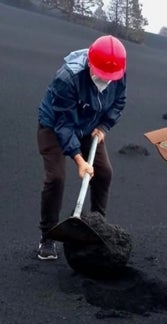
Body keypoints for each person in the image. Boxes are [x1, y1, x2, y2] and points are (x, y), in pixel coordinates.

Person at [36, 35, 127, 260]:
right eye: (102, 76)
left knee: (104, 173)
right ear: (91, 65)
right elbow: (64, 124)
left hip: (89, 126)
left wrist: (104, 126)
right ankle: (47, 236)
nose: (106, 81)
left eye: (110, 78)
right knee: (55, 178)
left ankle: (96, 227)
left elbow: (119, 101)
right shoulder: (67, 79)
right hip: (54, 125)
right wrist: (79, 160)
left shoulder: (118, 73)